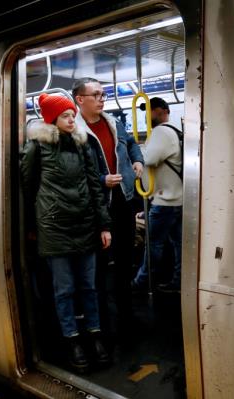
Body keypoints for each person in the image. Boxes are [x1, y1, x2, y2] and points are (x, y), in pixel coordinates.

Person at [20, 93, 112, 372]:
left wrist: (104, 224)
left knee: (89, 286)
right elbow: (27, 185)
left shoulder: (82, 144)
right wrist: (33, 227)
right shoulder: (37, 146)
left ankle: (94, 335)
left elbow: (95, 187)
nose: (72, 119)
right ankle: (72, 340)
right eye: (65, 116)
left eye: (73, 114)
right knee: (64, 290)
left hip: (84, 224)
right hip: (54, 227)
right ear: (52, 120)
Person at [72, 78, 144, 329]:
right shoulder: (75, 132)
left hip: (123, 200)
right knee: (100, 266)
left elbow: (132, 144)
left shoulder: (113, 123)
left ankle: (127, 314)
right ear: (80, 100)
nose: (102, 99)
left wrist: (137, 160)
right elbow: (73, 172)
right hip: (97, 206)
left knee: (125, 259)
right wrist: (102, 179)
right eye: (97, 95)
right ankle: (101, 318)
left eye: (103, 94)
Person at [132, 97, 182, 293]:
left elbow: (149, 159)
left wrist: (137, 152)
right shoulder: (177, 130)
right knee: (178, 245)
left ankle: (142, 282)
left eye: (150, 111)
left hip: (165, 201)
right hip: (177, 199)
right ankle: (178, 282)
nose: (147, 115)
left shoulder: (161, 132)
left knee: (153, 244)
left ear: (162, 110)